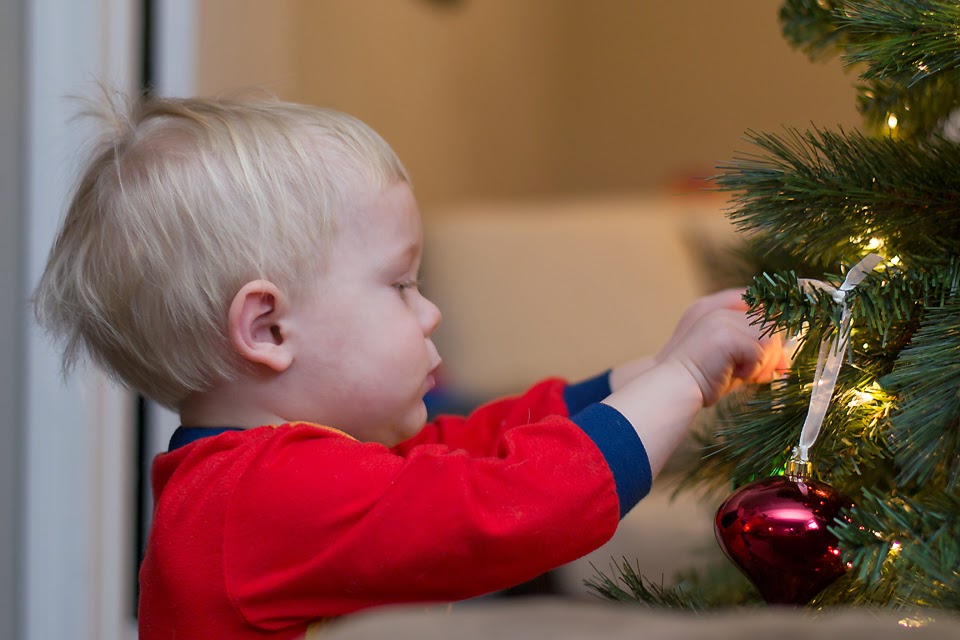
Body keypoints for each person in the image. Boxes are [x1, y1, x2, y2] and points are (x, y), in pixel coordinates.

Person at [33, 90, 785, 640]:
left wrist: (655, 367)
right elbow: (507, 507)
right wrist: (684, 381)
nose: (429, 313)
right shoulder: (260, 496)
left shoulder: (286, 469)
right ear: (268, 328)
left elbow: (480, 446)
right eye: (399, 285)